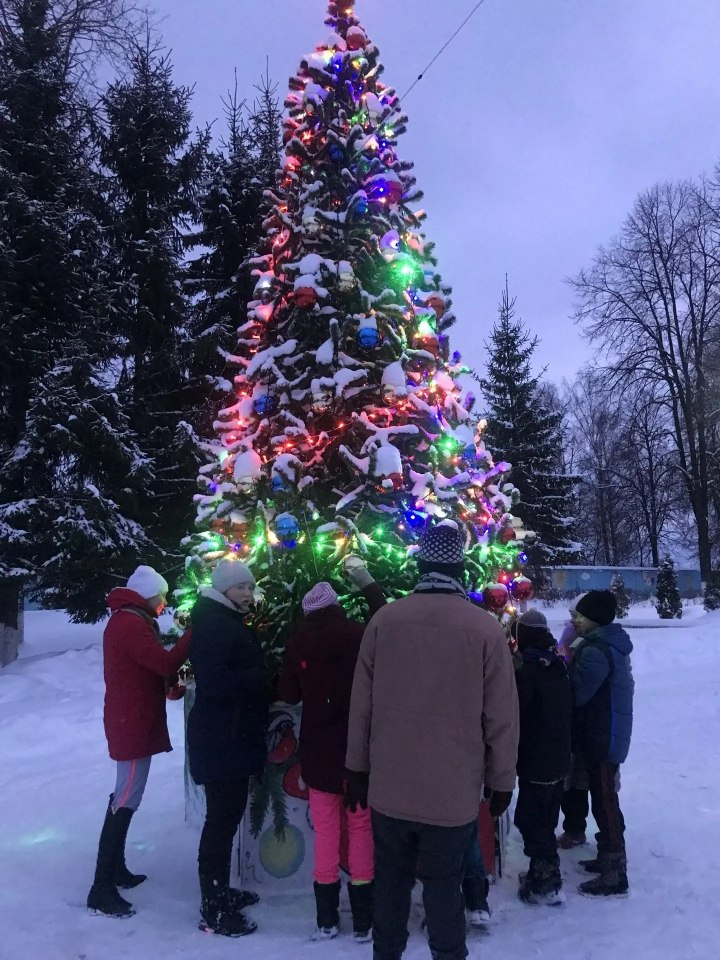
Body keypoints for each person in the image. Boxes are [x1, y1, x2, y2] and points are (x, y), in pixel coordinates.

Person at [345, 520, 519, 960]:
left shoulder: (385, 621)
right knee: (444, 888)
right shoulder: (484, 629)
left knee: (391, 884)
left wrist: (356, 769)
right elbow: (501, 716)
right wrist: (502, 780)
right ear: (460, 569)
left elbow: (360, 706)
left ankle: (387, 952)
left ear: (420, 565)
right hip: (452, 795)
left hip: (390, 789)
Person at [278, 561, 385, 942]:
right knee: (360, 827)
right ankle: (363, 919)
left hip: (319, 751)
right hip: (358, 749)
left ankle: (325, 918)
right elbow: (385, 621)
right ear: (337, 607)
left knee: (325, 831)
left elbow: (288, 694)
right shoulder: (359, 635)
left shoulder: (296, 644)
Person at [87, 565, 190, 918]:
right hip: (130, 723)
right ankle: (101, 887)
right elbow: (162, 663)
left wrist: (169, 686)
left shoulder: (130, 619)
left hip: (131, 720)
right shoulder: (130, 623)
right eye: (161, 597)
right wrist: (194, 633)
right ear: (149, 595)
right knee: (126, 796)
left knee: (126, 795)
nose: (164, 604)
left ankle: (115, 870)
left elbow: (148, 669)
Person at [187, 559, 269, 937]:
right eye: (241, 588)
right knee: (220, 823)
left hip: (228, 736)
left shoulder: (224, 619)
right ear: (224, 590)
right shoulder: (217, 625)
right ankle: (214, 909)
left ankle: (221, 894)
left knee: (227, 818)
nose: (248, 594)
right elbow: (215, 682)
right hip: (223, 738)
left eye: (250, 588)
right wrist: (261, 677)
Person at [570, 590, 634, 897]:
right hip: (606, 730)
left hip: (602, 733)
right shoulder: (607, 643)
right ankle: (608, 855)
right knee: (603, 796)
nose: (576, 622)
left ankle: (614, 870)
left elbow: (578, 693)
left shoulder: (596, 651)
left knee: (605, 799)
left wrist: (561, 670)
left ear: (594, 620)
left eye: (580, 617)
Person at [511, 609, 572, 905]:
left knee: (529, 818)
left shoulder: (529, 671)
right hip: (559, 756)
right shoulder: (556, 663)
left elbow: (516, 713)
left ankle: (547, 878)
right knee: (545, 816)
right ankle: (543, 873)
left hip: (537, 757)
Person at [556, 615, 590, 849]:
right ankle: (575, 827)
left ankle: (575, 829)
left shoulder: (590, 649)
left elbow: (579, 691)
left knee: (577, 781)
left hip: (581, 726)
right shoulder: (573, 634)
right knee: (574, 781)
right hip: (578, 726)